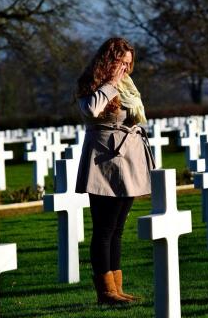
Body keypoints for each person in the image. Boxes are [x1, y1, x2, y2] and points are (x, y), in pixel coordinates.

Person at [75, 37, 155, 305]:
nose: (126, 69)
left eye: (129, 64)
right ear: (108, 60)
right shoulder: (92, 84)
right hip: (104, 161)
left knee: (119, 228)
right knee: (104, 228)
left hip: (128, 158)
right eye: (122, 62)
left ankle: (117, 288)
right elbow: (91, 110)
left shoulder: (127, 85)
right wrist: (110, 84)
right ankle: (105, 291)